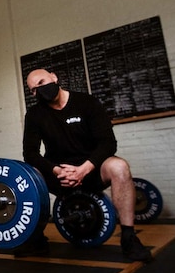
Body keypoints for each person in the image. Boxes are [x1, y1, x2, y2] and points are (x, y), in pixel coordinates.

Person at [20, 68, 153, 262]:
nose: (38, 91)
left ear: (54, 77)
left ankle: (129, 238)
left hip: (91, 169)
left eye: (41, 83)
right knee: (29, 173)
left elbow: (108, 143)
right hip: (60, 174)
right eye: (33, 90)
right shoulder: (34, 115)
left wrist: (83, 170)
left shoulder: (87, 103)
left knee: (120, 167)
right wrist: (56, 170)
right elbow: (30, 153)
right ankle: (37, 239)